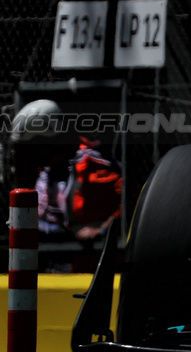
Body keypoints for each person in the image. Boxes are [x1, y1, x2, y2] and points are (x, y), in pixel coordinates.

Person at [10, 99, 123, 272]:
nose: (29, 154)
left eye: (33, 146)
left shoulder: (89, 165)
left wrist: (102, 230)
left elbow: (129, 198)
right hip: (47, 259)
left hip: (83, 265)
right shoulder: (46, 169)